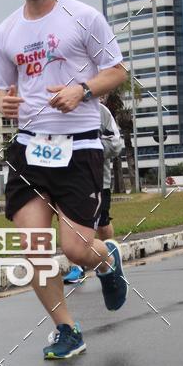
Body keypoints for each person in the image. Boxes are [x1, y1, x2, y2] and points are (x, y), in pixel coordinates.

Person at [0, 0, 128, 359]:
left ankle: (106, 262)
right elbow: (1, 91)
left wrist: (82, 91)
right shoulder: (6, 31)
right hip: (29, 148)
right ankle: (67, 329)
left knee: (74, 249)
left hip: (79, 146)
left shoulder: (84, 18)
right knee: (35, 248)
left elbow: (117, 71)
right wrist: (3, 102)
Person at [63, 99, 123, 285]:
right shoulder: (56, 110)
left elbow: (116, 144)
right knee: (70, 223)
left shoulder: (101, 112)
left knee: (102, 224)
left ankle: (111, 258)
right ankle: (76, 267)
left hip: (96, 180)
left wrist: (88, 148)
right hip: (66, 180)